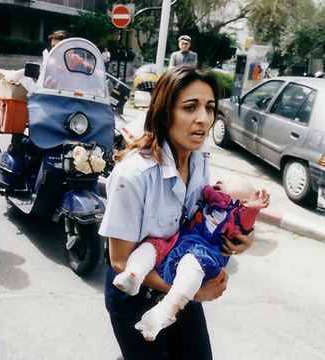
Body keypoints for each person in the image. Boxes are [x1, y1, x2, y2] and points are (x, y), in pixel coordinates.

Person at [99, 65, 254, 359]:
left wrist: (243, 236)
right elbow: (120, 261)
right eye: (190, 107)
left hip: (180, 280)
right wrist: (189, 293)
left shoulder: (200, 156)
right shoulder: (132, 174)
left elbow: (204, 215)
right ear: (165, 112)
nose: (203, 118)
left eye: (209, 108)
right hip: (136, 294)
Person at [113, 175, 269, 341]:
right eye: (221, 180)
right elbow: (118, 259)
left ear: (242, 201)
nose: (220, 181)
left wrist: (252, 209)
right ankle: (133, 274)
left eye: (230, 182)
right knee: (152, 246)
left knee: (192, 264)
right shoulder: (210, 202)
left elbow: (246, 219)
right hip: (178, 244)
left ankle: (167, 309)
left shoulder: (235, 215)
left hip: (201, 255)